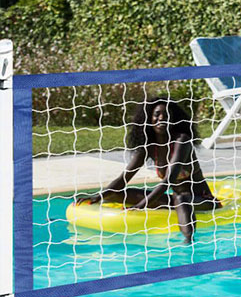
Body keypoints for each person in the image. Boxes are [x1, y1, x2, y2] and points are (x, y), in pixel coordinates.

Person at [77, 96, 219, 244]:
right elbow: (123, 179)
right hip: (172, 199)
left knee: (181, 197)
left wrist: (140, 206)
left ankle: (188, 241)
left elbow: (168, 180)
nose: (161, 118)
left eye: (167, 115)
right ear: (149, 118)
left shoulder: (182, 141)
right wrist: (98, 196)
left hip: (201, 200)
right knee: (119, 195)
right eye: (157, 114)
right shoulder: (150, 147)